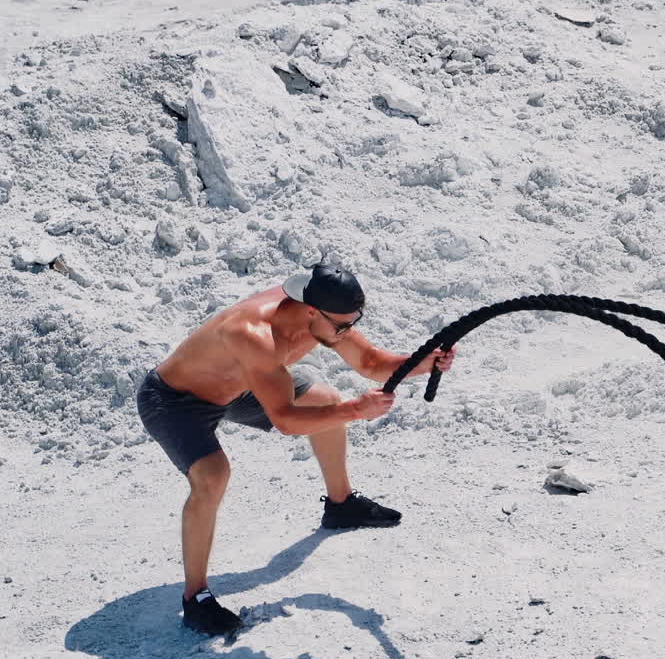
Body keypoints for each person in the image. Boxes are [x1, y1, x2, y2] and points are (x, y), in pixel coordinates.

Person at [136, 262, 456, 635]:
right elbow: (286, 420)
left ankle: (341, 506)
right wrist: (356, 410)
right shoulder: (254, 334)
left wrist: (423, 362)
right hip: (176, 401)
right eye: (341, 326)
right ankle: (196, 598)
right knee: (212, 475)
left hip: (245, 384)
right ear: (310, 311)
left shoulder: (324, 316)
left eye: (353, 323)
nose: (347, 332)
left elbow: (370, 363)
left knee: (325, 401)